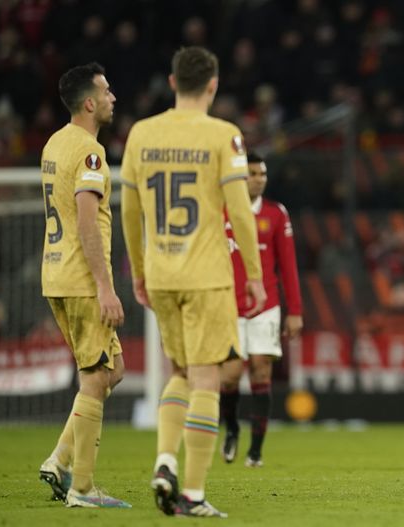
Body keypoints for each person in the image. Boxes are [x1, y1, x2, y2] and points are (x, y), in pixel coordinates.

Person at [120, 46, 266, 518]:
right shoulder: (224, 135)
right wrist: (256, 275)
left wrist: (139, 269)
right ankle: (195, 494)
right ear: (213, 85)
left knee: (179, 373)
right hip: (206, 274)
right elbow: (241, 212)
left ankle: (165, 460)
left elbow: (130, 209)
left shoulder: (142, 134)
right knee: (207, 378)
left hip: (161, 272)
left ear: (171, 81)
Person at [38, 62, 130, 509]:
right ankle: (83, 488)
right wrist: (105, 287)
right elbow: (88, 223)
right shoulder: (91, 154)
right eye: (107, 91)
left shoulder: (55, 143)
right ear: (90, 103)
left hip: (54, 274)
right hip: (80, 280)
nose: (114, 97)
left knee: (113, 371)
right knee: (95, 378)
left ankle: (59, 460)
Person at [220, 152, 303, 467]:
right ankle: (230, 430)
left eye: (262, 173)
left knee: (260, 369)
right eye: (252, 173)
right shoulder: (221, 211)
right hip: (227, 306)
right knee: (228, 377)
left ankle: (255, 450)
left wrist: (294, 310)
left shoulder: (276, 213)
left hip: (265, 305)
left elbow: (289, 267)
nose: (259, 178)